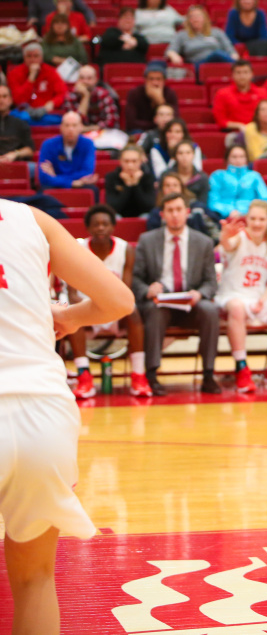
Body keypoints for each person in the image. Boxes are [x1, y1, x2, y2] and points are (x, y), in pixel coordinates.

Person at [0, 197, 133, 635]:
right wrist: (68, 317)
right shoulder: (32, 218)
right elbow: (118, 300)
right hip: (44, 411)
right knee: (35, 580)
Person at [132, 192, 221, 396]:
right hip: (161, 302)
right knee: (154, 311)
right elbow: (135, 280)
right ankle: (152, 374)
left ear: (187, 213)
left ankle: (208, 374)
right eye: (170, 210)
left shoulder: (204, 242)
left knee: (211, 310)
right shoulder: (147, 240)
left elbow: (211, 283)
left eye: (179, 210)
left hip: (191, 303)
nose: (175, 215)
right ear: (162, 215)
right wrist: (148, 290)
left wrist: (199, 293)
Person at [66, 204, 151, 399]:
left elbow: (126, 290)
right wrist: (92, 307)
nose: (100, 228)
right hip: (85, 309)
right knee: (73, 312)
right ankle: (83, 376)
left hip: (115, 309)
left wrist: (106, 307)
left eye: (105, 224)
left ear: (113, 227)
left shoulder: (125, 250)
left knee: (133, 312)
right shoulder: (77, 249)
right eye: (96, 224)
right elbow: (72, 293)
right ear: (88, 228)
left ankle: (139, 375)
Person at [215, 200, 267, 393]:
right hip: (231, 296)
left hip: (257, 298)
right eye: (253, 219)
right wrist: (224, 237)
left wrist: (264, 299)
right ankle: (241, 368)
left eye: (261, 219)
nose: (257, 223)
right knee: (237, 307)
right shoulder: (239, 237)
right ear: (247, 219)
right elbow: (227, 245)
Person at [38, 112, 98, 196]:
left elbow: (87, 173)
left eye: (74, 125)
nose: (71, 129)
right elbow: (43, 177)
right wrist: (72, 183)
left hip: (66, 183)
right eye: (67, 125)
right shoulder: (48, 145)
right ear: (61, 127)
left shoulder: (88, 144)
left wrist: (56, 177)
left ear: (81, 127)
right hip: (57, 186)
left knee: (92, 190)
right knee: (44, 190)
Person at [208, 145, 267, 219]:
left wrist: (249, 212)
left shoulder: (254, 176)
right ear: (227, 159)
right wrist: (229, 211)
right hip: (222, 217)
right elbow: (213, 201)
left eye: (242, 157)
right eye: (234, 157)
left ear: (246, 159)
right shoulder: (218, 175)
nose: (238, 160)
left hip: (251, 216)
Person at [145, 172, 217, 239]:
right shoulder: (156, 213)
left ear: (181, 188)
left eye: (175, 185)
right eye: (167, 185)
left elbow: (214, 229)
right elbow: (153, 238)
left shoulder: (198, 208)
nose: (171, 188)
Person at [8, 43, 66, 126]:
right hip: (24, 112)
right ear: (24, 58)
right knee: (20, 119)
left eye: (36, 56)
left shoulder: (51, 72)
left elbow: (62, 93)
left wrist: (52, 103)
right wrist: (31, 78)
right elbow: (18, 100)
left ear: (41, 57)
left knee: (63, 119)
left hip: (47, 112)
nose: (32, 59)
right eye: (29, 56)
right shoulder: (14, 73)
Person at [165, 5, 237, 67]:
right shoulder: (182, 34)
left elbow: (231, 51)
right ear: (188, 20)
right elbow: (170, 51)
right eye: (192, 17)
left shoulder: (217, 32)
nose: (195, 19)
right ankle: (238, 65)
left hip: (219, 64)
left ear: (205, 18)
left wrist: (235, 57)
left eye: (198, 16)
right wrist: (174, 55)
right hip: (197, 65)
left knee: (218, 55)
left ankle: (238, 66)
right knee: (217, 54)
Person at [213, 60, 267, 131]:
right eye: (238, 73)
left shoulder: (262, 93)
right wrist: (239, 126)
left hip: (258, 132)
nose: (242, 76)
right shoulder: (222, 94)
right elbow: (221, 120)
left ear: (252, 74)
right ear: (232, 75)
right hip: (233, 133)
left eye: (245, 72)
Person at [124, 62, 179, 133]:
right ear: (145, 80)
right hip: (141, 131)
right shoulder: (135, 93)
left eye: (158, 79)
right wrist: (156, 124)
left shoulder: (170, 93)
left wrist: (160, 101)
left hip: (163, 131)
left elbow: (174, 121)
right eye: (151, 79)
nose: (155, 83)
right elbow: (130, 123)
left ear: (164, 81)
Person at [105, 145, 156, 218]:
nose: (130, 165)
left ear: (140, 162)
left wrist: (135, 184)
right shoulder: (112, 177)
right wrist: (128, 186)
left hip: (141, 215)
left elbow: (148, 207)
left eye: (134, 161)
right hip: (120, 215)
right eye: (126, 161)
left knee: (147, 216)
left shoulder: (148, 177)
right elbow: (113, 207)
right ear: (120, 161)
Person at [65, 65, 118, 130]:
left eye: (89, 78)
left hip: (103, 134)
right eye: (82, 78)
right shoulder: (71, 96)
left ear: (96, 80)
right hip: (79, 136)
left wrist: (88, 129)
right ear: (77, 80)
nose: (85, 81)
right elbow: (74, 123)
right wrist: (85, 96)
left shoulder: (104, 94)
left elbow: (111, 122)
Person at [0, 86, 34, 163]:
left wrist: (15, 154)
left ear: (10, 100)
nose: (1, 100)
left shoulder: (20, 123)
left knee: (33, 168)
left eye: (4, 96)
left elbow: (30, 150)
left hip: (15, 163)